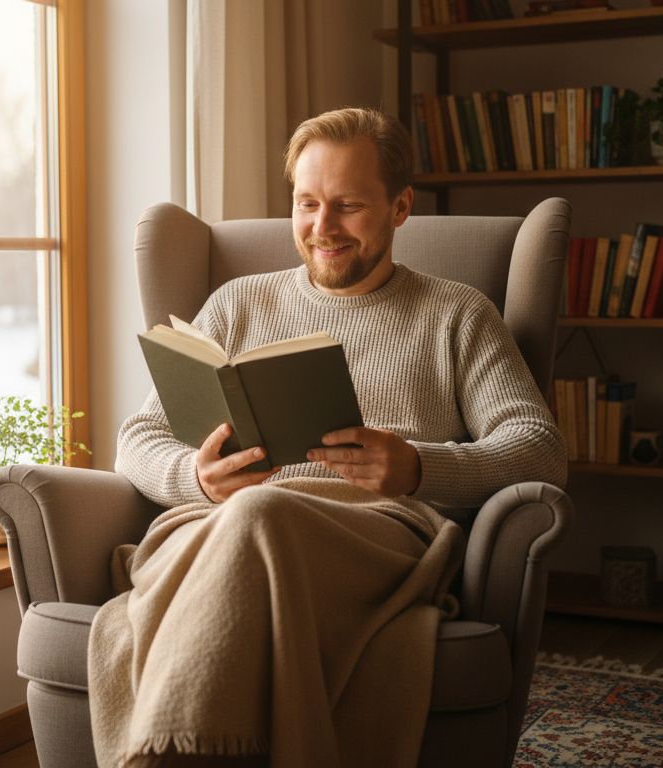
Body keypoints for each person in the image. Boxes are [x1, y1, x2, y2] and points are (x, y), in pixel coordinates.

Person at [90, 107, 566, 768]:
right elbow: (137, 437)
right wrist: (195, 478)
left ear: (400, 208)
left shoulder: (457, 313)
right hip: (228, 524)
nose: (322, 228)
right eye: (307, 203)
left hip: (377, 534)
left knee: (262, 510)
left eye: (348, 206)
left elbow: (540, 447)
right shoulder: (237, 303)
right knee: (254, 510)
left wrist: (418, 468)